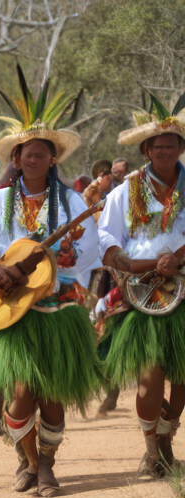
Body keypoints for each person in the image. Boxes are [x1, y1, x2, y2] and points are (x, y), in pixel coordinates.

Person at [0, 67, 102, 497]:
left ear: (53, 159)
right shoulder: (1, 200)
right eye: (26, 154)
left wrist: (66, 264)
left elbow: (90, 253)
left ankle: (46, 468)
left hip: (57, 308)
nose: (33, 160)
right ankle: (27, 460)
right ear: (15, 159)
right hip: (11, 308)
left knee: (53, 394)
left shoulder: (72, 202)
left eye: (41, 154)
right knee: (20, 395)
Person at [96, 97, 185, 475]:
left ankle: (167, 435)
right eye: (157, 145)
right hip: (142, 293)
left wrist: (176, 259)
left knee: (182, 378)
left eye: (171, 144)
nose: (164, 151)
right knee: (149, 381)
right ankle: (152, 448)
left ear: (181, 149)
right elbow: (106, 239)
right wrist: (131, 264)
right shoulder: (124, 192)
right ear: (146, 150)